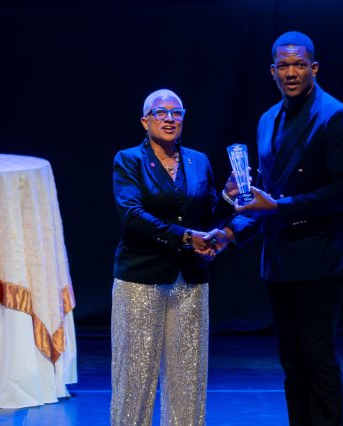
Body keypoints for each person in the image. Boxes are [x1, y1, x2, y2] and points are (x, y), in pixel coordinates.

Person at [208, 31, 343, 425]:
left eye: (299, 65)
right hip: (280, 257)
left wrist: (279, 206)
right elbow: (267, 192)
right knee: (292, 362)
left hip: (320, 254)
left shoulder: (336, 116)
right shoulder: (267, 119)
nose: (291, 72)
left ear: (314, 68)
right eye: (283, 66)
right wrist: (231, 231)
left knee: (317, 356)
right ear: (272, 71)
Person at [110, 88, 230, 426]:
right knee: (134, 377)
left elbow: (207, 216)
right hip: (141, 277)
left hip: (189, 279)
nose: (169, 118)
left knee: (188, 376)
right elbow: (131, 213)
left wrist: (228, 198)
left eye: (176, 113)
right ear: (145, 121)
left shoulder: (198, 161)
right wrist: (186, 237)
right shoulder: (129, 160)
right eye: (160, 112)